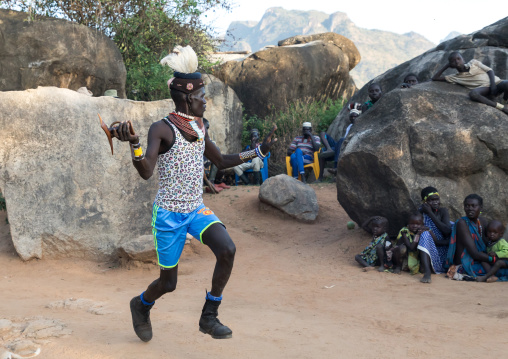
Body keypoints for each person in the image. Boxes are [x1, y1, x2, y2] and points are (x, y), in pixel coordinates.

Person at [111, 45, 277, 341]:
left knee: (227, 249)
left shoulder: (199, 126)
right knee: (168, 283)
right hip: (169, 215)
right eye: (202, 97)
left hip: (196, 210)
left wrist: (258, 152)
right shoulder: (161, 129)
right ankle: (141, 304)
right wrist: (134, 143)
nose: (206, 102)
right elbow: (146, 170)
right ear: (188, 98)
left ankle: (209, 316)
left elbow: (221, 160)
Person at [445, 194, 508, 281]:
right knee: (502, 271)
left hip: (483, 259)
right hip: (467, 263)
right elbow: (474, 253)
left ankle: (491, 273)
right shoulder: (462, 223)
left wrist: (499, 254)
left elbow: (488, 242)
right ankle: (490, 275)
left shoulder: (483, 221)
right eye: (467, 206)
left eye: (473, 206)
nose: (470, 208)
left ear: (481, 208)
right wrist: (493, 259)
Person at [432, 51, 508, 115]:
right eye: (453, 61)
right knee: (473, 94)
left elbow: (489, 70)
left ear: (463, 59)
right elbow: (435, 78)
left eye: (458, 59)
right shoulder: (455, 77)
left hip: (497, 83)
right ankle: (501, 107)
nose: (456, 61)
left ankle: (505, 101)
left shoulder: (473, 62)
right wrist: (446, 66)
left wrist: (493, 86)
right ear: (451, 65)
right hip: (485, 89)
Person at [417, 187, 452, 283]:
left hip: (442, 248)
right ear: (425, 202)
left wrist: (430, 213)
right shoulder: (420, 213)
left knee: (453, 227)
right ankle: (427, 272)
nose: (435, 202)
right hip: (428, 248)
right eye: (431, 200)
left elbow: (447, 231)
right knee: (424, 234)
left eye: (437, 199)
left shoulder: (443, 211)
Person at [325, 104, 361, 177]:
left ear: (358, 117)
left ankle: (336, 167)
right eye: (352, 116)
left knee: (341, 140)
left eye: (355, 116)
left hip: (351, 144)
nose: (353, 118)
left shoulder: (360, 125)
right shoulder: (349, 126)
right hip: (343, 144)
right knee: (326, 138)